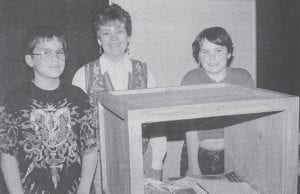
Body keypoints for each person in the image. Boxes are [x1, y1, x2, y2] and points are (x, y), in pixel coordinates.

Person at [72, 3, 167, 184]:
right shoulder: (82, 75)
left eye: (120, 32)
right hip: (97, 167)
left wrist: (156, 163)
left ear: (128, 37)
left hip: (141, 161)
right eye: (106, 33)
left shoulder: (144, 72)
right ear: (98, 39)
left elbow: (158, 123)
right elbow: (76, 131)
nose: (114, 38)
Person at [0, 25, 98, 194]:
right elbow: (8, 155)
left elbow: (90, 149)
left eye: (59, 52)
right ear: (30, 60)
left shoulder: (79, 97)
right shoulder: (14, 101)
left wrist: (84, 189)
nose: (55, 58)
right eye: (46, 53)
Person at [181, 26, 255, 176]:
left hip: (235, 156)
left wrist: (245, 163)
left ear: (229, 53)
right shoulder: (191, 80)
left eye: (218, 50)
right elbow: (190, 126)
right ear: (198, 57)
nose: (212, 57)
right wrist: (193, 166)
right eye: (205, 52)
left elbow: (250, 126)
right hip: (198, 155)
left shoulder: (242, 78)